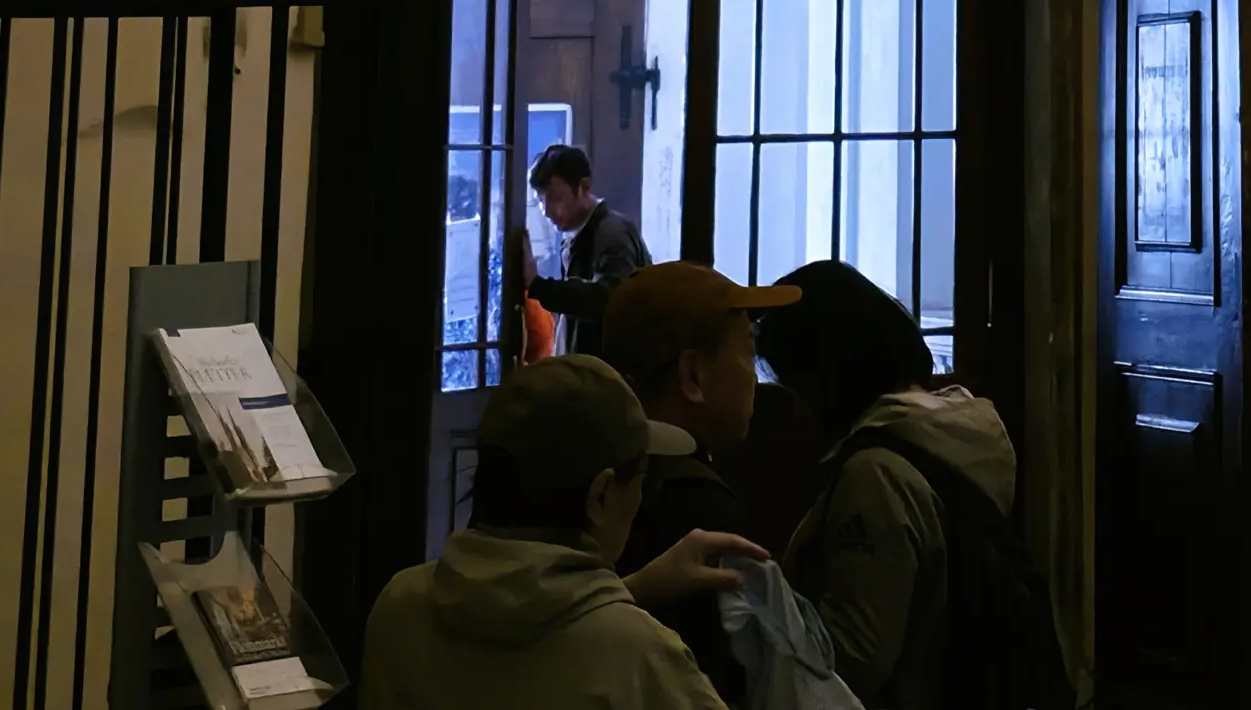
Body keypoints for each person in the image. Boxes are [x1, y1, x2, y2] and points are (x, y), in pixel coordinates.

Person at [363, 354, 765, 710]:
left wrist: (628, 591)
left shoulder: (399, 606)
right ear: (602, 495)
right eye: (641, 477)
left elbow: (533, 621)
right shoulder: (640, 657)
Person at [752, 261, 1026, 709]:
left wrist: (761, 623)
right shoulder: (951, 433)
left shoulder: (876, 474)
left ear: (822, 378)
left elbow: (854, 660)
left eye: (789, 382)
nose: (789, 404)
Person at [601, 260, 804, 706]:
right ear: (693, 376)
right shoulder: (703, 514)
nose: (755, 376)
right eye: (747, 353)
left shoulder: (594, 485)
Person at [525, 145, 655, 356]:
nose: (547, 211)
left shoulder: (612, 233)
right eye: (541, 200)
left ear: (584, 187)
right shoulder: (577, 234)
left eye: (555, 198)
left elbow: (609, 301)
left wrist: (538, 286)